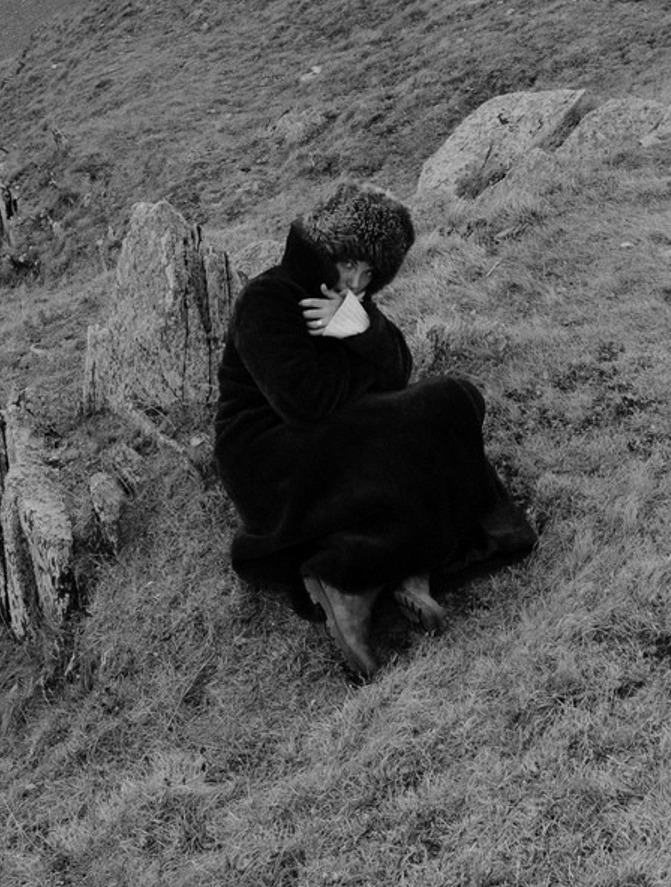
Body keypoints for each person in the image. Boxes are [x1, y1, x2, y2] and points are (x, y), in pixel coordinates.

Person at [214, 181, 535, 681]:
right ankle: (353, 581)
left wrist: (363, 329)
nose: (358, 282)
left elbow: (397, 370)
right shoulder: (267, 299)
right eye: (349, 264)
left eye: (370, 273)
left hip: (327, 442)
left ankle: (388, 570)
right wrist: (359, 348)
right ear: (325, 250)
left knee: (453, 404)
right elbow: (305, 401)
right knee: (441, 405)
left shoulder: (348, 303)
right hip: (267, 458)